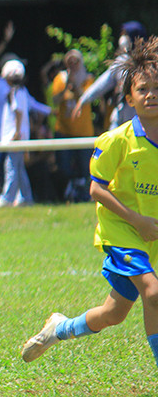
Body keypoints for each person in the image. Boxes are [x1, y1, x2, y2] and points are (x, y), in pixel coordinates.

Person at [22, 36, 158, 373]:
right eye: (143, 89)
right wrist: (136, 221)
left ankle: (60, 328)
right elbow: (97, 190)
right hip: (124, 230)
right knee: (153, 293)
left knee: (114, 313)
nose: (151, 94)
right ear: (128, 98)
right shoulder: (118, 140)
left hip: (151, 232)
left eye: (157, 87)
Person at [75, 21, 149, 131]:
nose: (123, 38)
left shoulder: (149, 63)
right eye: (122, 35)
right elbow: (102, 83)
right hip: (120, 114)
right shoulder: (121, 62)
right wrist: (83, 100)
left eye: (126, 35)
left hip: (143, 116)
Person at [0, 60, 40, 207]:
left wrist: (16, 133)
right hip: (19, 136)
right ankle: (25, 198)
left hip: (15, 137)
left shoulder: (15, 92)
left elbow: (18, 113)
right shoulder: (22, 91)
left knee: (11, 167)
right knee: (19, 168)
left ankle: (7, 198)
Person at [51, 49, 95, 201]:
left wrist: (75, 85)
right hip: (64, 131)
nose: (73, 65)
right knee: (63, 168)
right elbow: (55, 100)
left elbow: (85, 97)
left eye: (76, 62)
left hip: (84, 132)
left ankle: (85, 195)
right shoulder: (60, 79)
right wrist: (66, 85)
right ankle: (68, 195)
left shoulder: (88, 79)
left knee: (86, 168)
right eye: (70, 62)